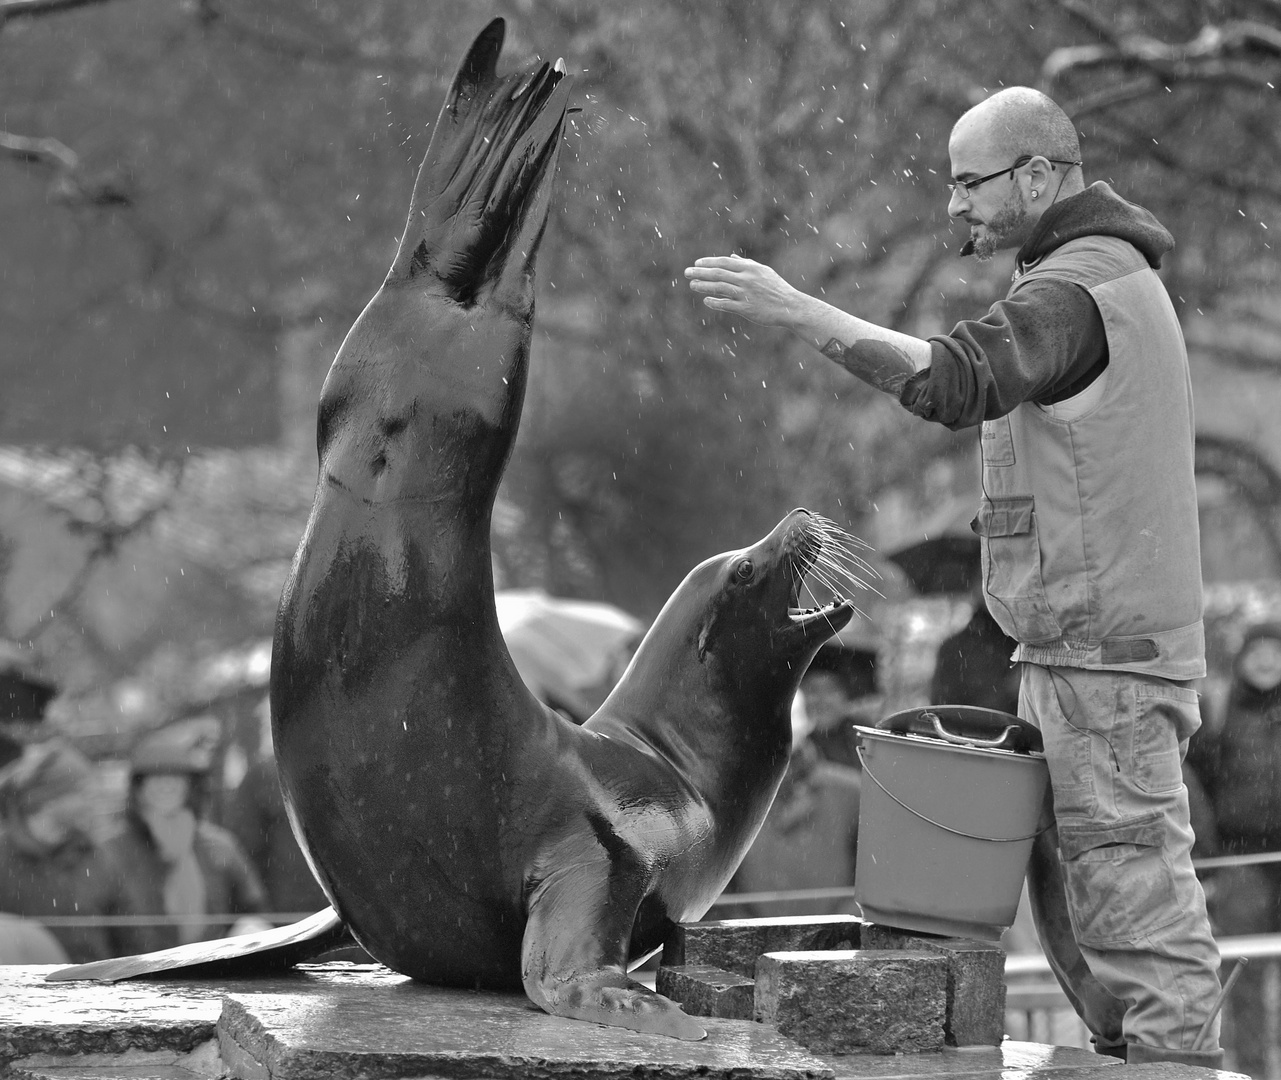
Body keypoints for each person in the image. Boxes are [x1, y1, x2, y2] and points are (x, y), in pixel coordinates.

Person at [686, 87, 1222, 1067]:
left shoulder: (1078, 289)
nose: (956, 207)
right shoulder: (1086, 280)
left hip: (1108, 661)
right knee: (1091, 920)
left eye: (969, 182)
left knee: (1134, 914)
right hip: (1085, 655)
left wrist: (795, 309)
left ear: (1036, 174)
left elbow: (950, 380)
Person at [1185, 622, 1281, 1077]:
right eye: (1257, 651)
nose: (1266, 661)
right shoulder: (1218, 712)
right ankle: (1254, 1070)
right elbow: (1196, 789)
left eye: (1275, 651)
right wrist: (1208, 860)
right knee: (1244, 974)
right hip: (1241, 857)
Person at [97, 718, 270, 954]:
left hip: (210, 975)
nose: (166, 786)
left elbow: (252, 910)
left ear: (191, 787)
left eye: (176, 778)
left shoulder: (218, 846)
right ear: (138, 788)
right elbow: (93, 928)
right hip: (134, 979)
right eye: (155, 778)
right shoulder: (110, 851)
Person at [0, 740, 117, 963]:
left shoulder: (96, 856)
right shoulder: (3, 858)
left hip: (95, 992)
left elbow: (130, 938)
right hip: (20, 993)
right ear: (49, 800)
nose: (92, 801)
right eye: (82, 792)